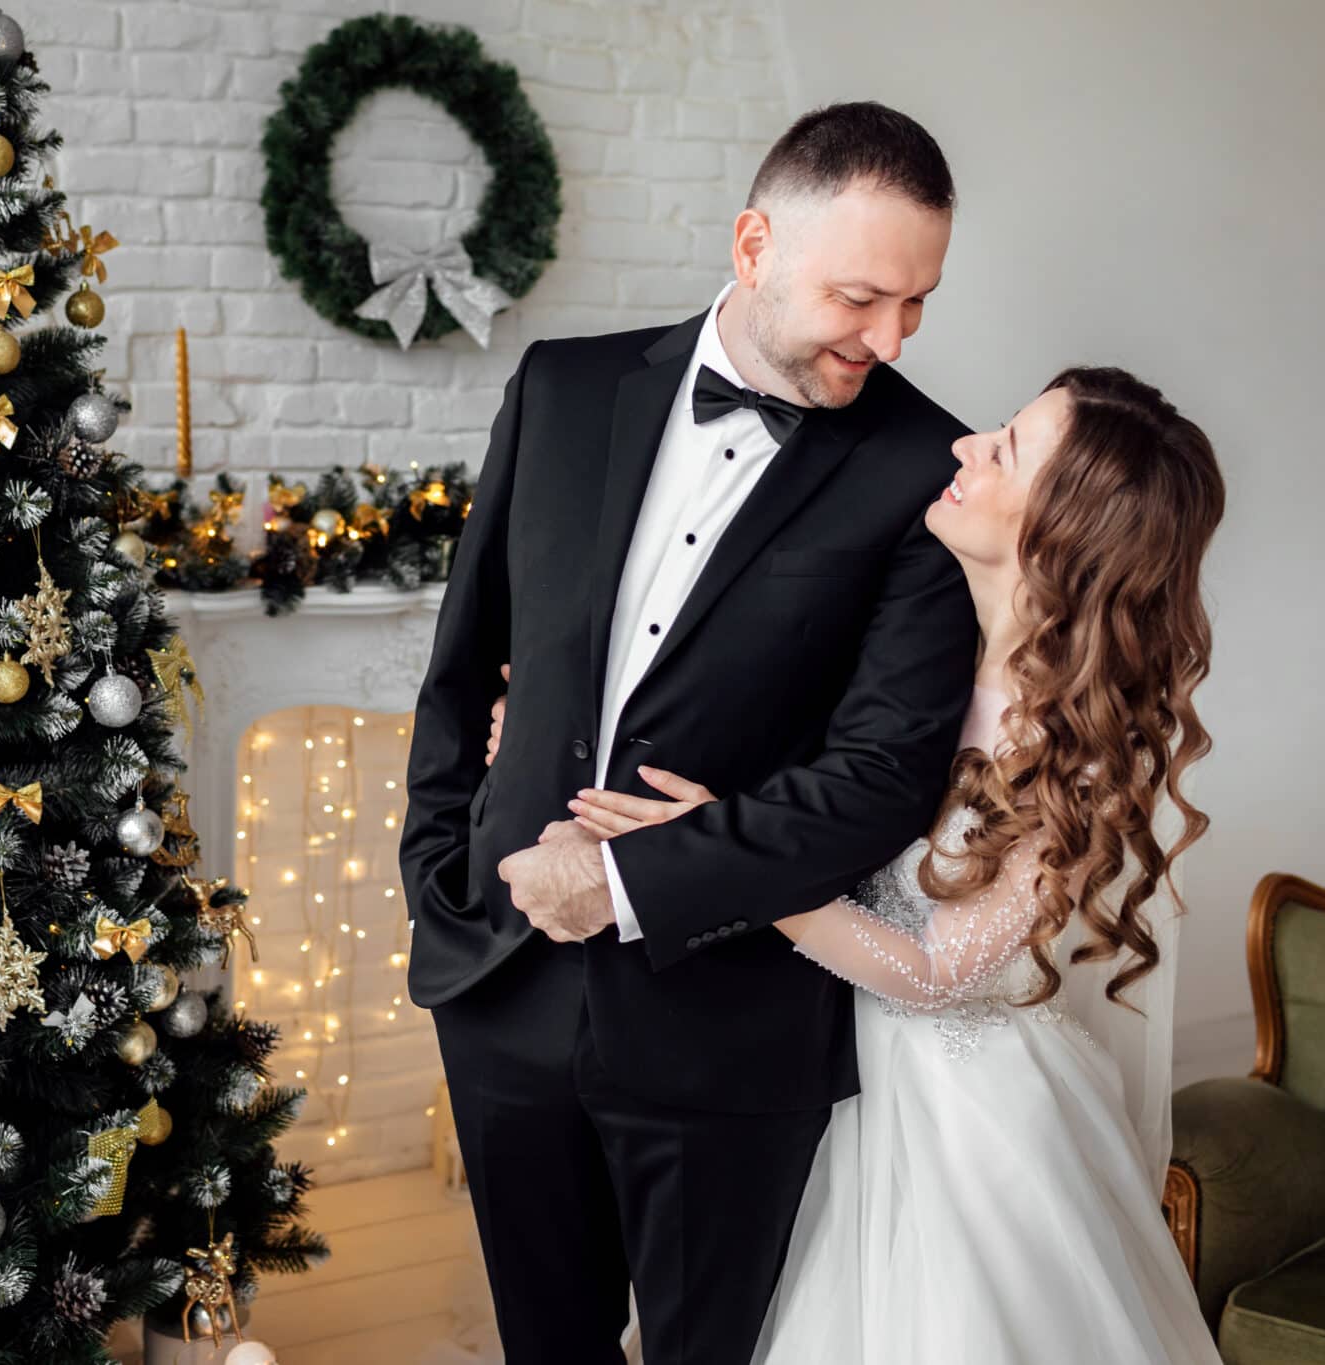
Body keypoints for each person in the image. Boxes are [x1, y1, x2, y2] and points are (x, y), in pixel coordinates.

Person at [399, 102, 976, 1363]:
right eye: (860, 297)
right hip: (497, 986)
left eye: (916, 303)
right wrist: (433, 884)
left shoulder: (925, 466)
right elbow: (459, 672)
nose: (889, 338)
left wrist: (623, 879)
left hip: (731, 1027)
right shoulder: (563, 385)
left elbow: (881, 779)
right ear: (754, 242)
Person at [543, 367, 1228, 1363]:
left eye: (1001, 452)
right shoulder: (912, 640)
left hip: (962, 1123)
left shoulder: (1072, 739)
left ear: (1064, 529)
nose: (960, 449)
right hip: (817, 1064)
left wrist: (723, 859)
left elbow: (935, 972)